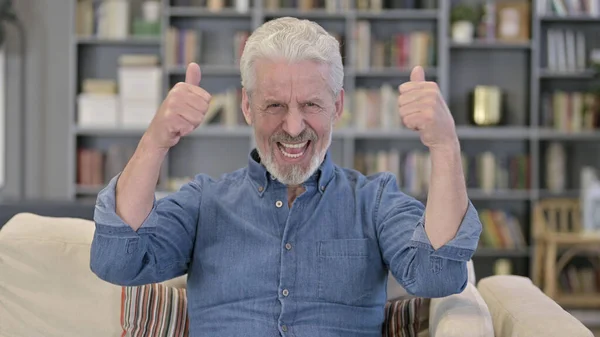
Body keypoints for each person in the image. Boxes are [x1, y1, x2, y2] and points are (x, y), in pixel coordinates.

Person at [90, 16, 482, 337]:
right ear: (247, 106)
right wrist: (155, 142)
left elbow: (437, 277)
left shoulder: (374, 200)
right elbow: (117, 262)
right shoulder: (203, 201)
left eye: (310, 104)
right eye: (274, 105)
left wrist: (445, 146)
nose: (293, 127)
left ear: (337, 105)